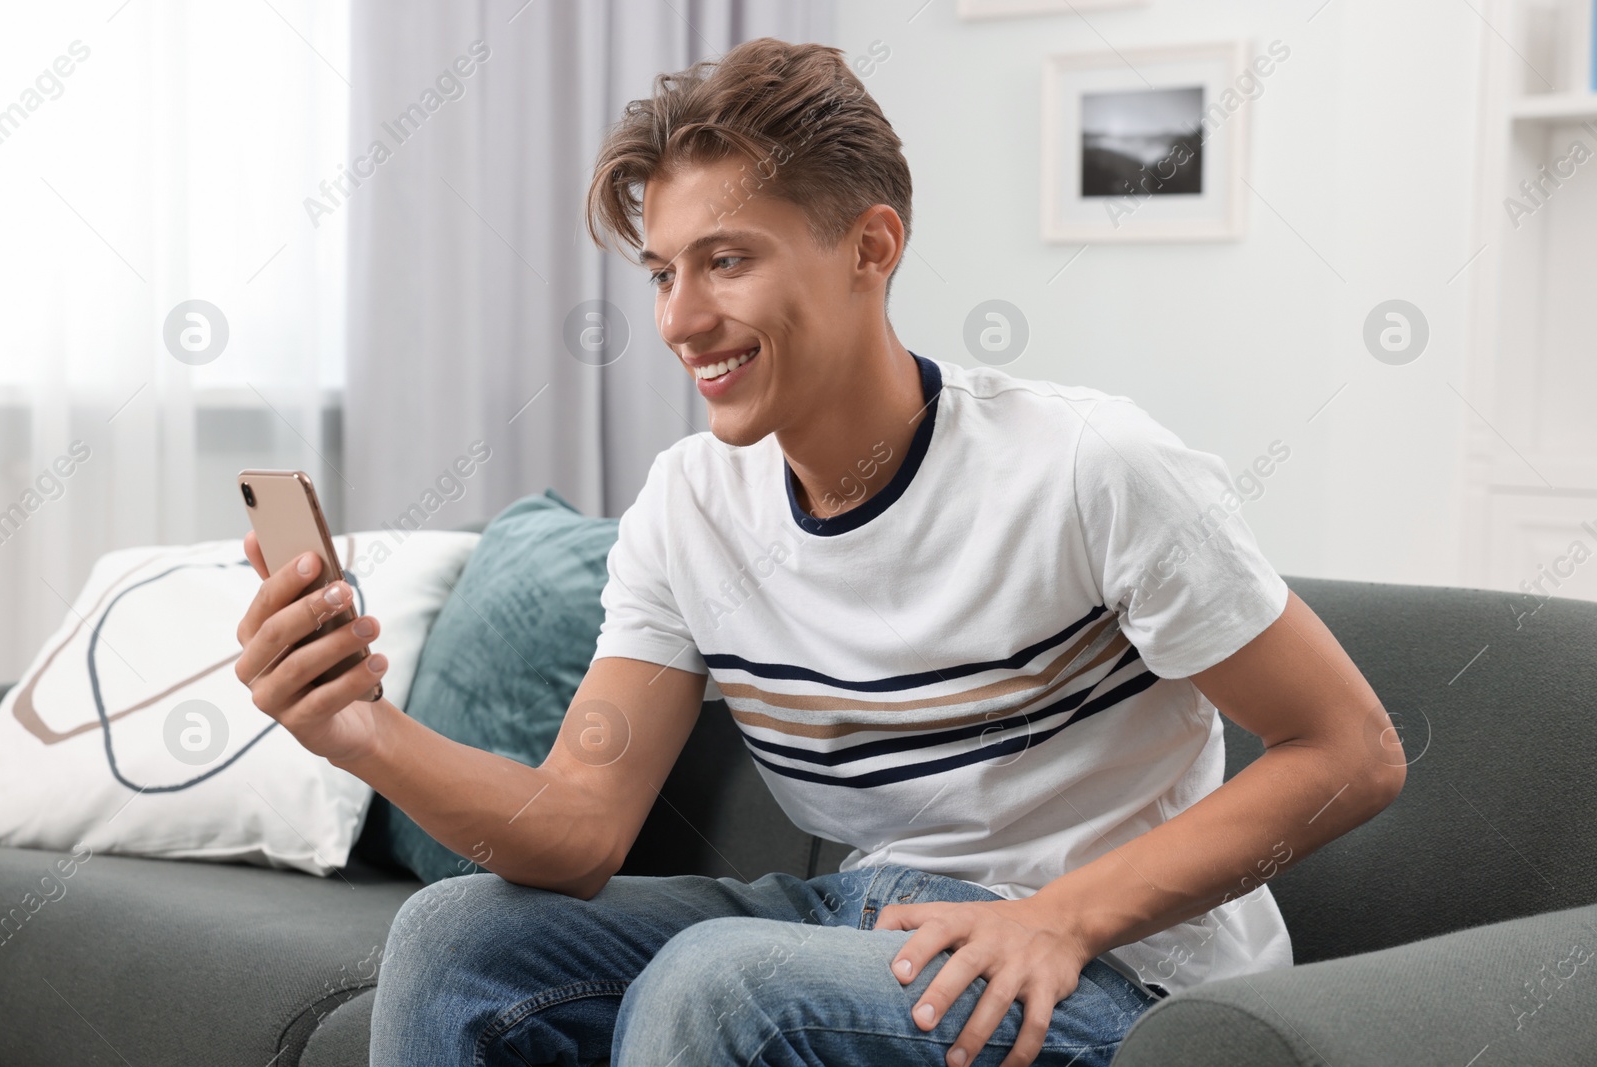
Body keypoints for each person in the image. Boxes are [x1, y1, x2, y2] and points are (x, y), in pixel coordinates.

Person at [233, 36, 1406, 1067]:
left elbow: (1350, 751)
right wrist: (356, 729)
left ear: (870, 247)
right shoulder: (690, 504)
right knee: (456, 935)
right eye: (661, 270)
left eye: (725, 260)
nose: (679, 320)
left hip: (1119, 975)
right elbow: (576, 826)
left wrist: (1060, 915)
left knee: (722, 978)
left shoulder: (1091, 466)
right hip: (866, 916)